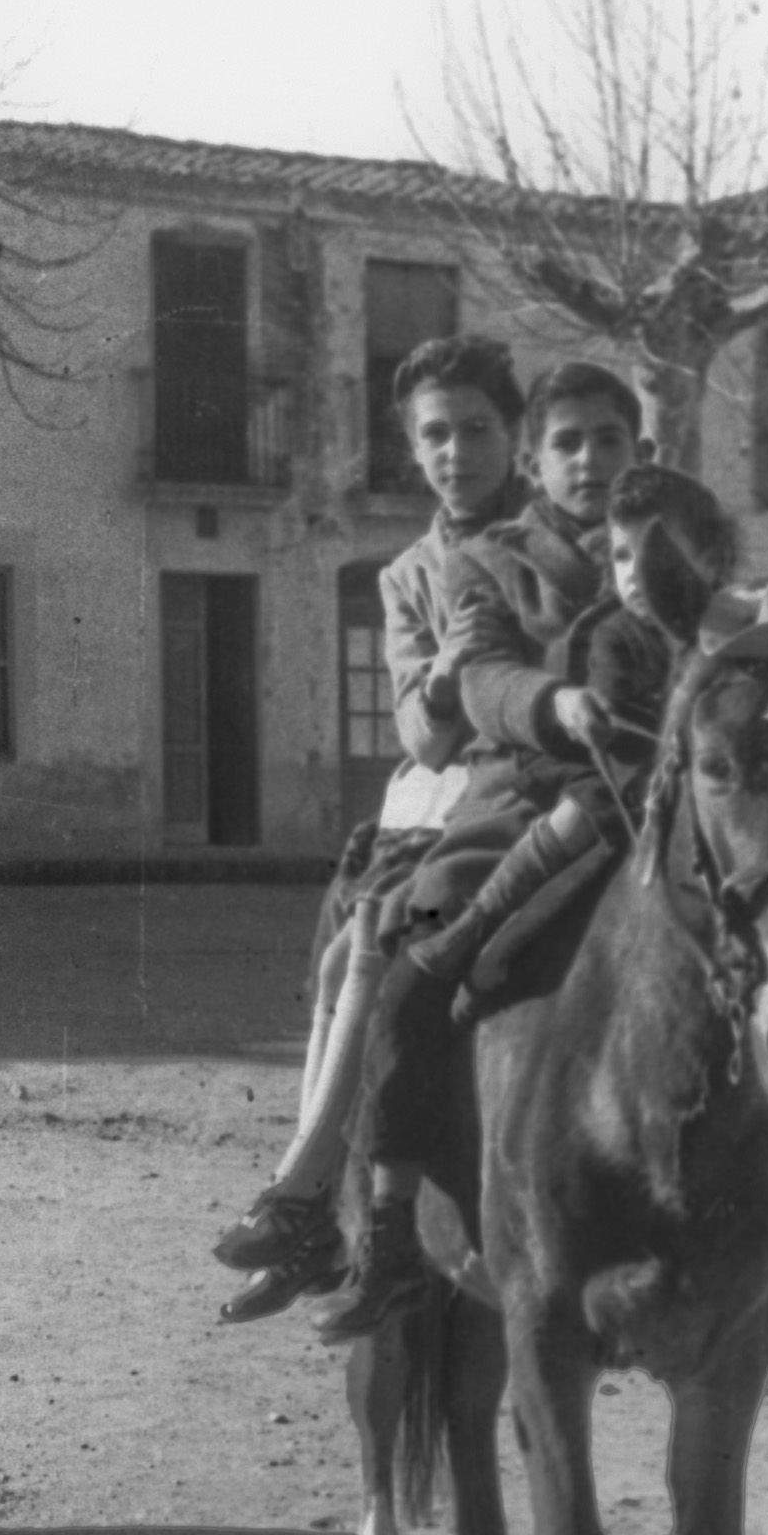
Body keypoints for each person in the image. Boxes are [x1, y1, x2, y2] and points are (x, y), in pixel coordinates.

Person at [313, 461, 768, 1342]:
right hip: (572, 818)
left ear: (708, 559)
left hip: (683, 844)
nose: (634, 569)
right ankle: (388, 1227)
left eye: (659, 554)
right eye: (621, 554)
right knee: (429, 962)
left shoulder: (740, 633)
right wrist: (566, 711)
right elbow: (515, 694)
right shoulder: (606, 631)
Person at [211, 332, 531, 1319]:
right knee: (351, 940)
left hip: (541, 793)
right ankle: (314, 1196)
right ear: (411, 446)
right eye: (433, 433)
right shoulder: (408, 576)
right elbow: (420, 740)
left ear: (514, 433)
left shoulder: (557, 538)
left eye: (474, 428)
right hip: (447, 801)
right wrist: (445, 672)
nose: (454, 451)